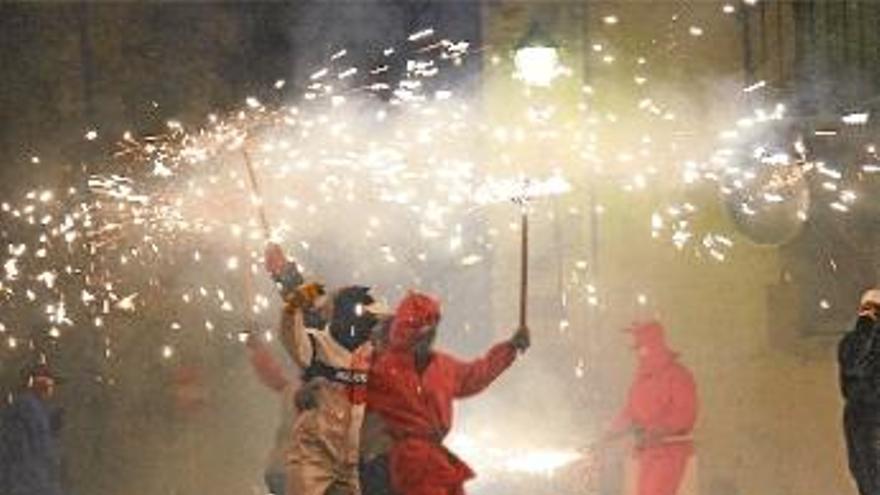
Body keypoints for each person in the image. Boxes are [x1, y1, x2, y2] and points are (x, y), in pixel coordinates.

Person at [366, 291, 530, 495]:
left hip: (434, 462)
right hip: (407, 464)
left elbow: (476, 374)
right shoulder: (381, 369)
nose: (429, 337)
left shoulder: (442, 366)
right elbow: (348, 392)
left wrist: (509, 348)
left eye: (432, 330)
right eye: (423, 331)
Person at [266, 243, 388, 495]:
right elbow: (293, 322)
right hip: (316, 461)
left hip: (354, 462)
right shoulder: (317, 344)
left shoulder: (373, 354)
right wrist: (288, 278)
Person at [602, 320, 697, 495]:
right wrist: (610, 432)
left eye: (641, 346)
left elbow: (685, 414)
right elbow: (630, 412)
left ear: (654, 344)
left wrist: (660, 430)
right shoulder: (641, 381)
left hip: (670, 452)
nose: (639, 353)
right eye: (637, 348)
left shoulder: (677, 375)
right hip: (647, 452)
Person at [246, 333, 302, 495]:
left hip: (281, 468)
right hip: (293, 470)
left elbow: (271, 374)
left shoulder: (290, 387)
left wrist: (257, 349)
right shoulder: (303, 390)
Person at [0, 363, 65, 495]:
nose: (52, 390)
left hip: (34, 482)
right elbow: (26, 456)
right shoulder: (27, 410)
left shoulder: (38, 411)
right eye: (50, 385)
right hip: (30, 485)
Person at [839, 288, 880, 495]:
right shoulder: (852, 342)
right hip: (860, 420)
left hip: (868, 421)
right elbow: (852, 363)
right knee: (865, 479)